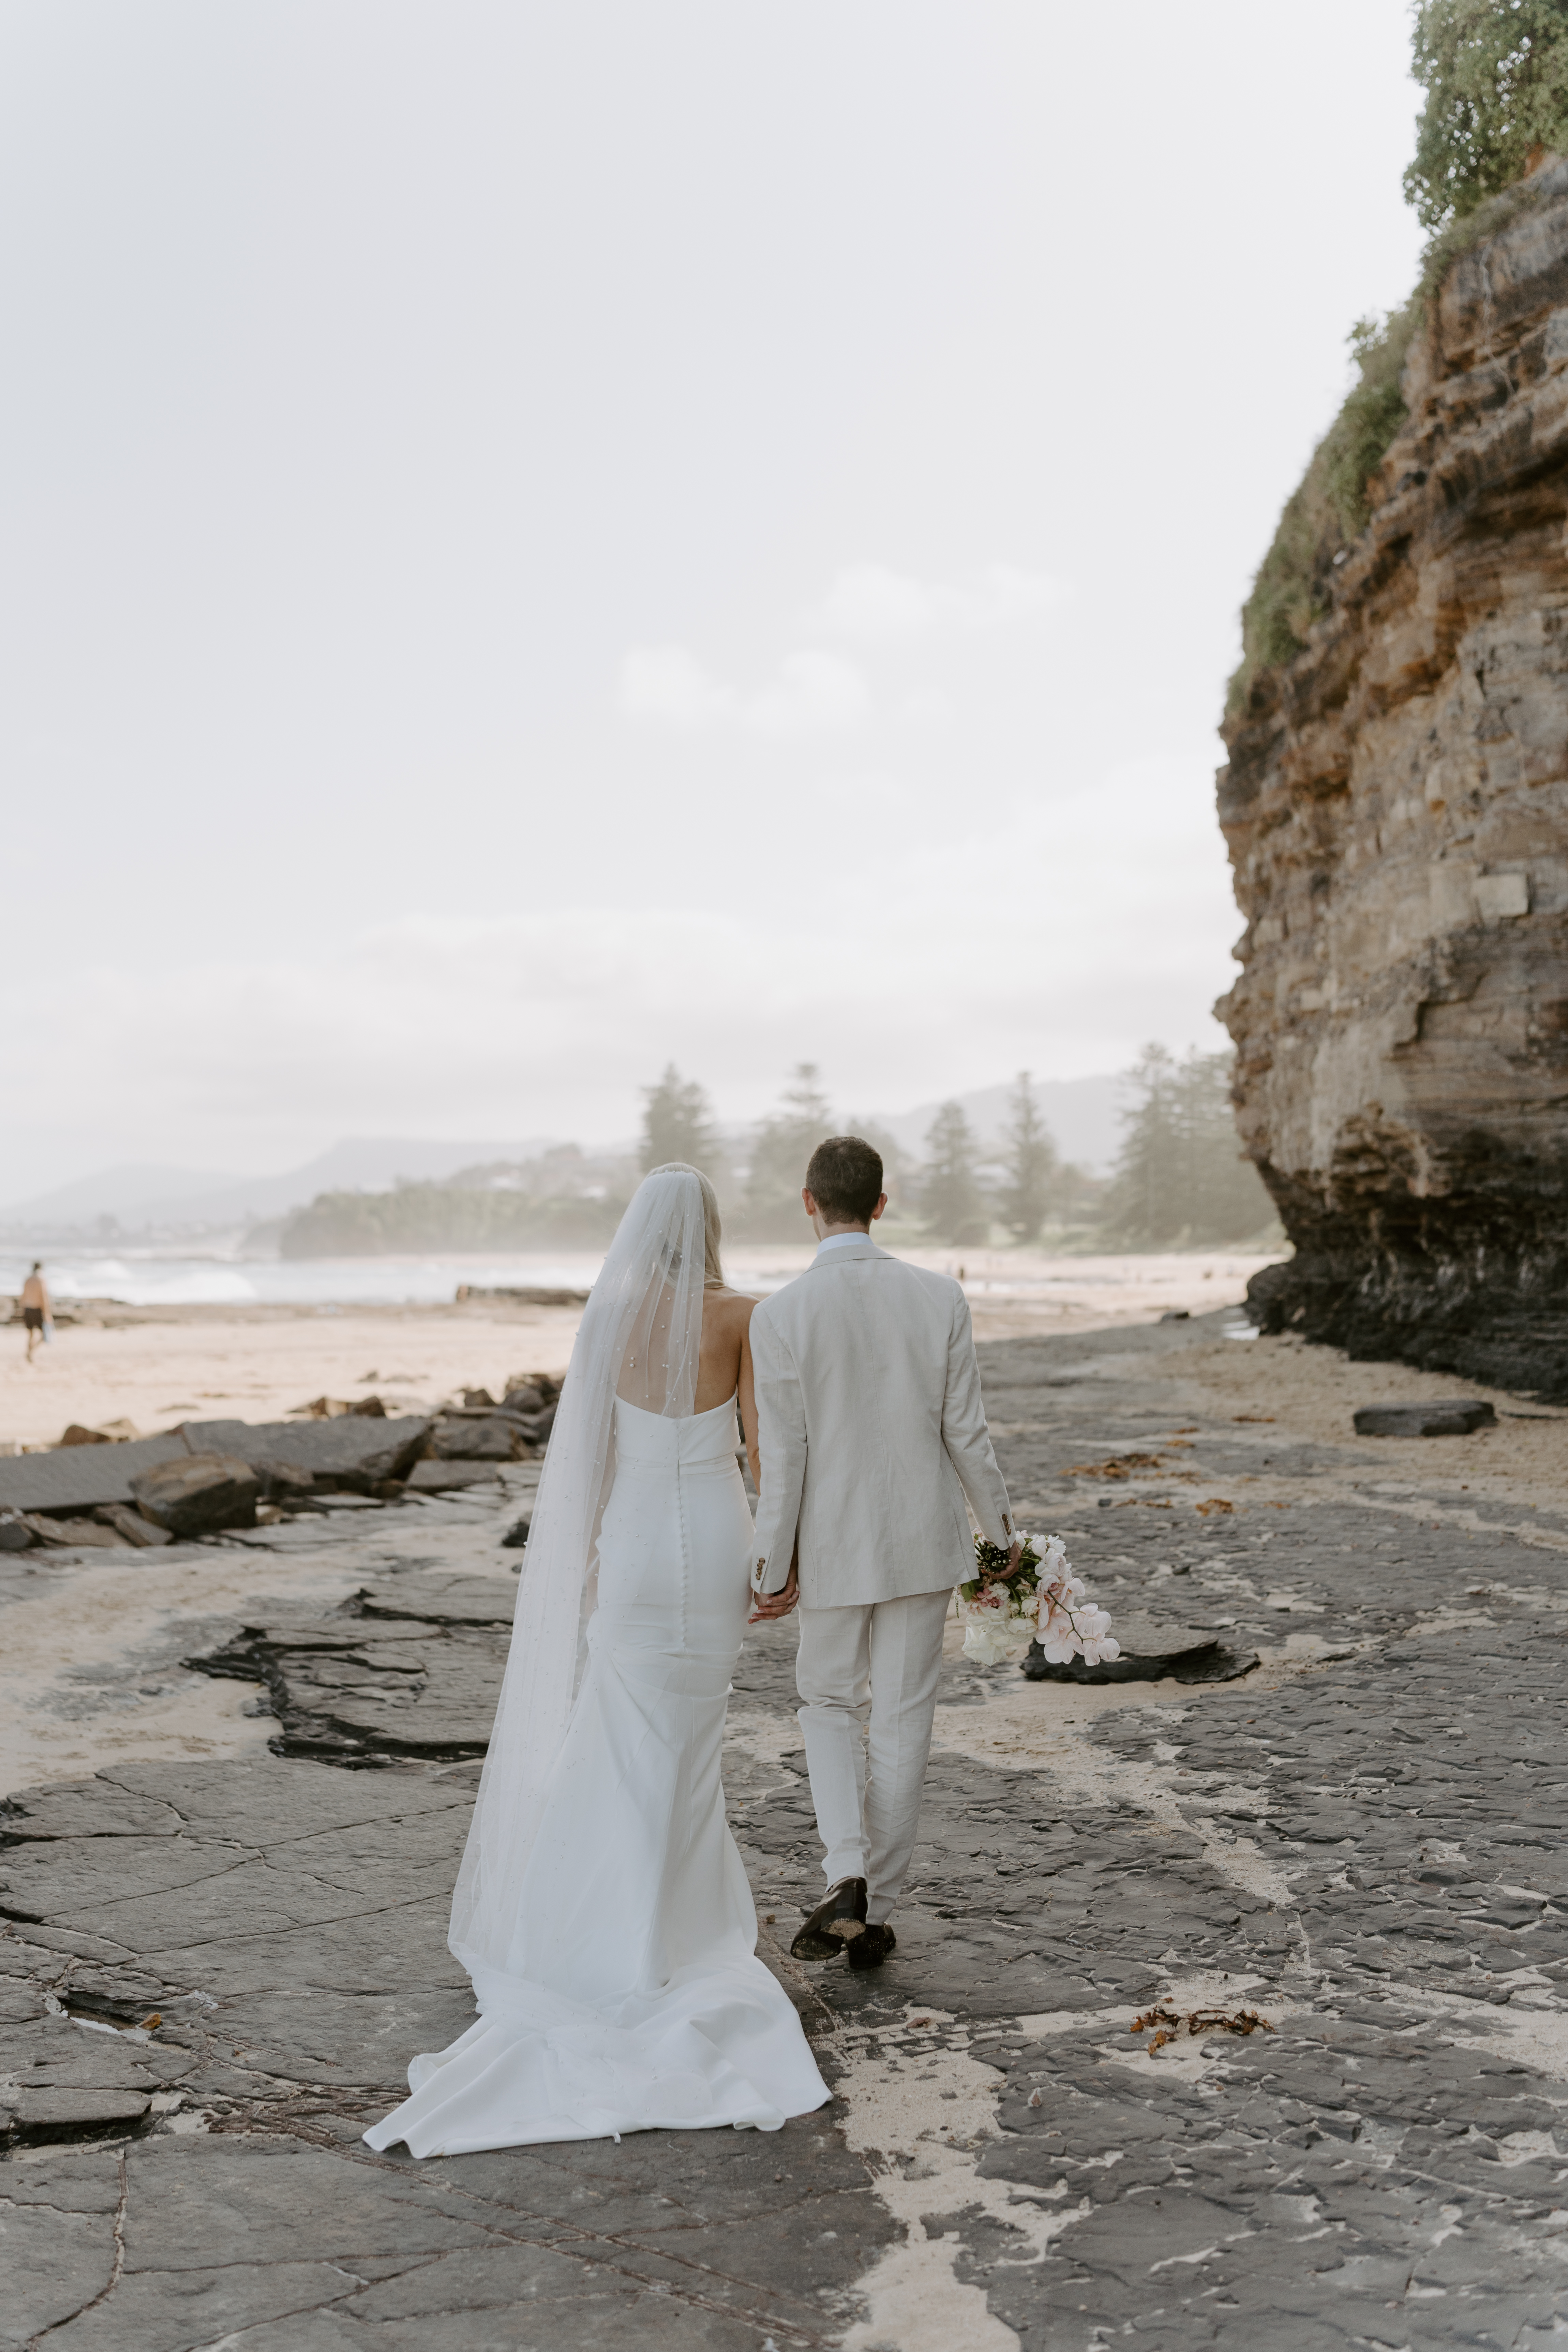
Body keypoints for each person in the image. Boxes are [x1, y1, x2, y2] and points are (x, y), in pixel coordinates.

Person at [365, 1164, 828, 2158]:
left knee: (617, 1735)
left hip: (632, 1557)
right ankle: (672, 1940)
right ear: (707, 1228)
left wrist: (581, 1573)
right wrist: (776, 1561)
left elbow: (590, 1465)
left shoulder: (608, 1319)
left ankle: (596, 1939)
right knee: (689, 1751)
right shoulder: (746, 1312)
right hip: (710, 1537)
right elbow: (764, 1450)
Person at [748, 1134, 1018, 1970]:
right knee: (902, 1717)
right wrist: (999, 1533)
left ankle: (848, 1873)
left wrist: (770, 1562)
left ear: (807, 1202)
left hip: (828, 1545)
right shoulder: (939, 1297)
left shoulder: (780, 1313)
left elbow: (782, 1456)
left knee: (826, 1703)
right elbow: (964, 1430)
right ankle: (879, 1907)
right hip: (920, 1541)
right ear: (881, 1202)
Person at [19, 1263, 51, 1364]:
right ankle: (30, 1353)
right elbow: (44, 1298)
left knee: (31, 1334)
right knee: (43, 1335)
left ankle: (29, 1353)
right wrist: (47, 1314)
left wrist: (22, 1310)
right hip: (37, 1309)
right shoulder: (41, 1279)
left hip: (27, 1309)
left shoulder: (28, 1280)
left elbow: (23, 1296)